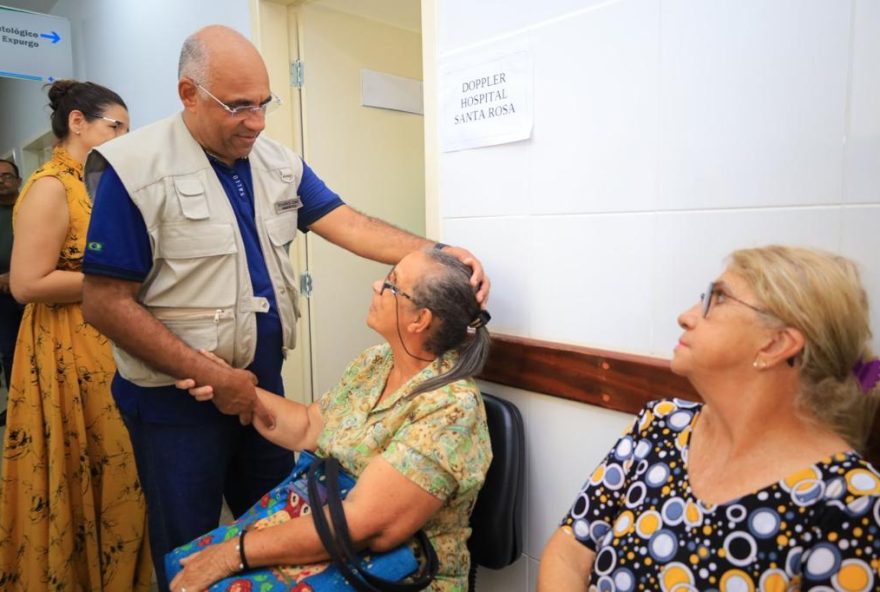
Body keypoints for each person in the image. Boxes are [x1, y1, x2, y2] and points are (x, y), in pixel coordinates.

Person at [80, 24, 490, 589]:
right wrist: (207, 373)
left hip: (256, 387)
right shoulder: (133, 168)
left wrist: (438, 252)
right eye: (239, 107)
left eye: (264, 104)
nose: (257, 122)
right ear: (189, 94)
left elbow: (346, 223)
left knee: (274, 527)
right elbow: (103, 305)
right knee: (190, 550)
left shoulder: (275, 161)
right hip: (177, 402)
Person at [538, 245, 880, 591]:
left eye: (717, 300)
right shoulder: (660, 424)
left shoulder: (852, 502)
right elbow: (569, 552)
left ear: (775, 344)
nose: (686, 316)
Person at [169, 249, 492, 592]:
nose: (376, 285)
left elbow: (363, 525)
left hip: (399, 574)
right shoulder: (375, 362)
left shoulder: (452, 409)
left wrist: (233, 554)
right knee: (187, 568)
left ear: (420, 320)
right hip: (338, 541)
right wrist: (232, 386)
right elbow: (309, 426)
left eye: (392, 284)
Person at [0, 81, 152, 591]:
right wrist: (118, 276)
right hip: (66, 343)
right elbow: (26, 283)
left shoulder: (98, 183)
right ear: (78, 123)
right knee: (84, 460)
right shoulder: (50, 185)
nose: (123, 137)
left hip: (106, 337)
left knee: (117, 467)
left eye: (128, 130)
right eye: (116, 126)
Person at [0, 158, 23, 424]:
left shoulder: (32, 205)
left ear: (17, 180)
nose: (3, 181)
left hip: (35, 294)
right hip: (3, 297)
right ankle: (16, 406)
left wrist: (15, 276)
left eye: (7, 176)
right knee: (9, 351)